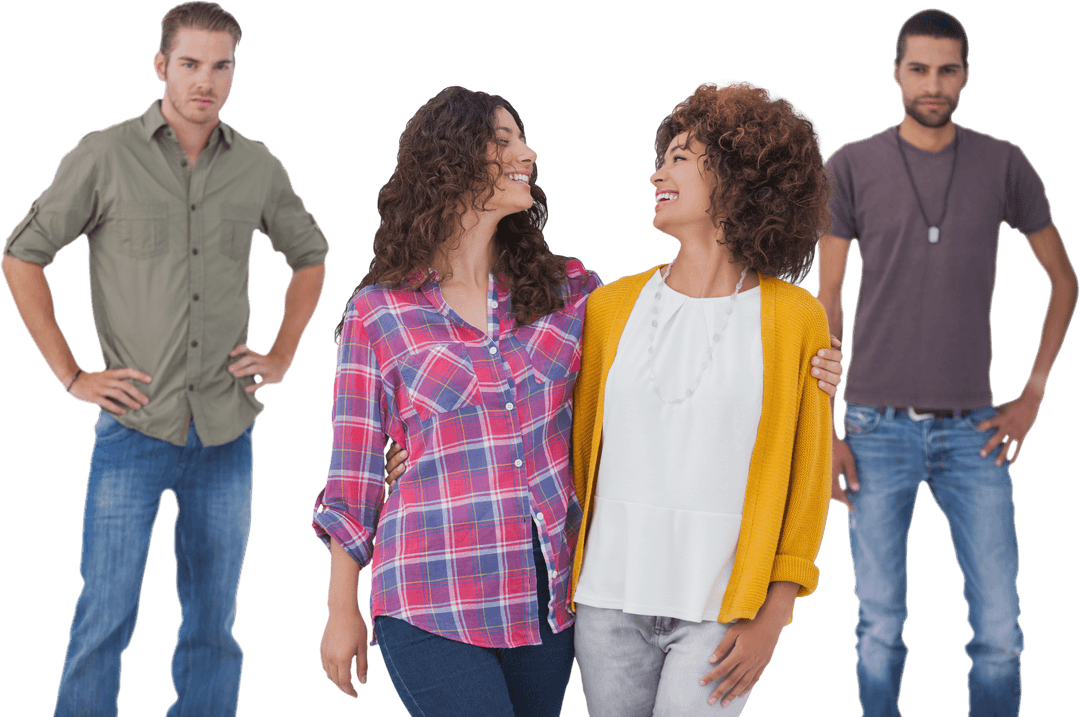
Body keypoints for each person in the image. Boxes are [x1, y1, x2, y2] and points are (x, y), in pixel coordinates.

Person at [312, 85, 845, 716]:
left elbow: (700, 375)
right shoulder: (381, 313)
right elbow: (352, 475)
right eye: (504, 141)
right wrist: (341, 607)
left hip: (546, 602)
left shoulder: (569, 295)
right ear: (450, 160)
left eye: (523, 139)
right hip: (436, 590)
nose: (529, 154)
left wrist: (812, 370)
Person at [0, 3, 331, 715]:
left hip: (226, 432)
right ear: (161, 65)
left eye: (220, 66)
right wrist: (71, 374)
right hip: (133, 427)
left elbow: (310, 255)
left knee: (215, 624)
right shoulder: (103, 155)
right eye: (190, 63)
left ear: (234, 71)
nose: (205, 81)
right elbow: (22, 255)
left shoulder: (258, 166)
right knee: (105, 616)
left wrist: (281, 353)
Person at [817, 9, 1078, 717]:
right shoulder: (850, 165)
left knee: (1000, 633)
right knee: (880, 629)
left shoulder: (1005, 162)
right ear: (896, 74)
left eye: (947, 70)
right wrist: (825, 426)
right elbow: (827, 301)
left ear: (966, 76)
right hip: (873, 428)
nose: (933, 84)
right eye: (919, 69)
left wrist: (1033, 393)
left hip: (975, 431)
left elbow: (1064, 279)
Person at [569, 80, 835, 716]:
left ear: (738, 176)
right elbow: (560, 434)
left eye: (680, 158)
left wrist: (774, 615)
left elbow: (808, 477)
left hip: (723, 611)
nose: (656, 173)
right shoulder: (608, 308)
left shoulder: (795, 318)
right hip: (607, 600)